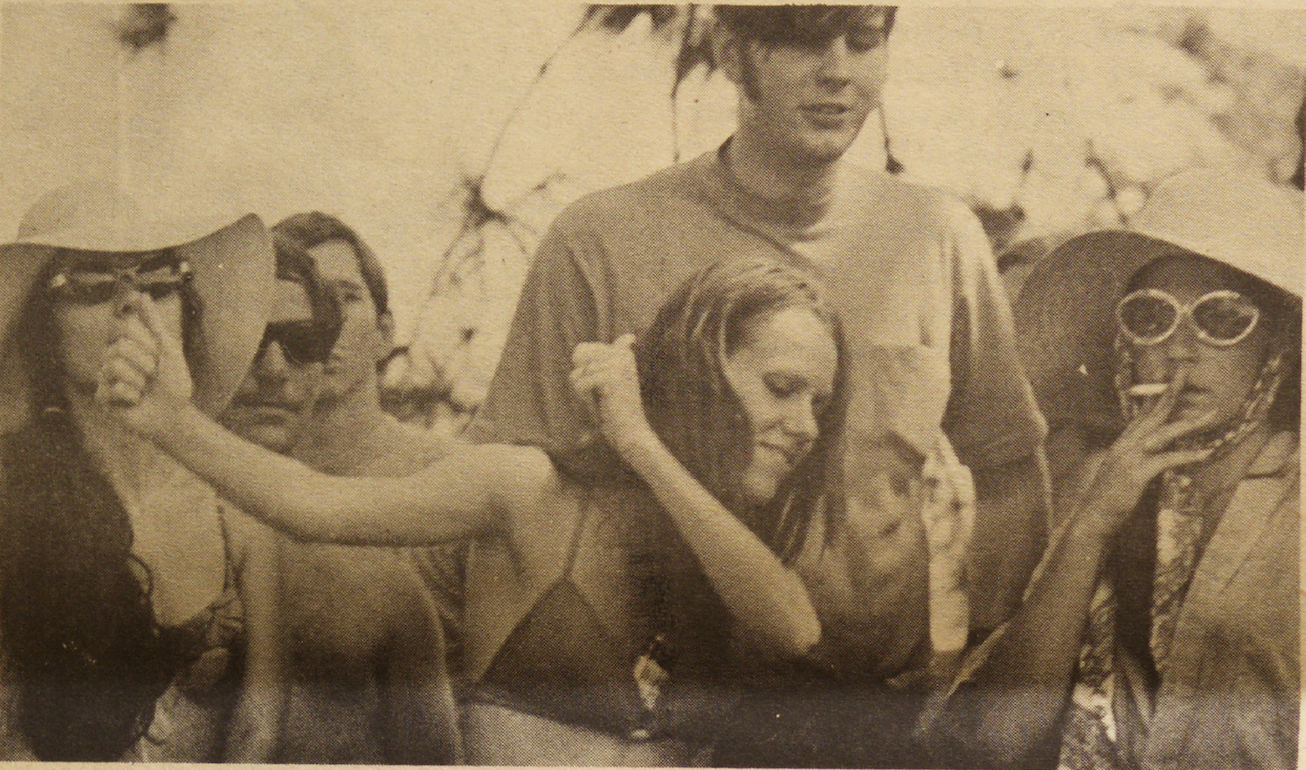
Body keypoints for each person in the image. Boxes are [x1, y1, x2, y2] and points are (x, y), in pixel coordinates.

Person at [465, 5, 1049, 765]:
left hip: (871, 725)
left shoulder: (939, 237)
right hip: (647, 731)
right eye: (803, 38)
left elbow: (1009, 476)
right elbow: (508, 503)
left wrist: (968, 682)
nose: (838, 70)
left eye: (864, 40)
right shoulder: (603, 240)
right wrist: (497, 728)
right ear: (732, 52)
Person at [100, 256, 845, 766]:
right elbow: (317, 506)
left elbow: (793, 626)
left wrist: (646, 447)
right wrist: (170, 419)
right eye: (781, 387)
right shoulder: (527, 491)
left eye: (818, 401)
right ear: (696, 371)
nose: (807, 426)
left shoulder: (731, 553)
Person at [925, 168, 1301, 770]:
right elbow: (997, 737)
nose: (1180, 347)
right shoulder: (1103, 485)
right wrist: (1094, 522)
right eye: (1152, 318)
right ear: (1129, 346)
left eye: (1222, 319)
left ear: (1279, 342)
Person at [0, 180, 284, 761]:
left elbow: (260, 728)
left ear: (187, 309)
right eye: (92, 283)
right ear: (41, 327)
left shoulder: (239, 507)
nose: (132, 304)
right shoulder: (9, 493)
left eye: (158, 279)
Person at [216, 233, 460, 763]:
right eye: (253, 336)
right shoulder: (131, 530)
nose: (275, 369)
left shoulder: (384, 582)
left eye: (304, 340)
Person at [271, 212, 466, 693]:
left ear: (384, 333)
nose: (326, 322)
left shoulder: (448, 473)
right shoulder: (236, 474)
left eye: (345, 298)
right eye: (307, 302)